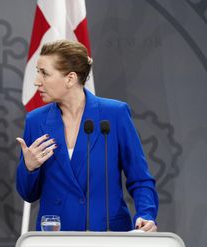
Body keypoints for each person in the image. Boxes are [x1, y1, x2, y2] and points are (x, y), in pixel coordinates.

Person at [16, 40, 158, 232]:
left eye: (44, 73)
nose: (36, 81)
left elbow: (140, 178)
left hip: (106, 235)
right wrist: (29, 168)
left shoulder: (114, 114)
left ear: (70, 78)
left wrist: (146, 214)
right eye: (38, 71)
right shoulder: (36, 121)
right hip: (56, 238)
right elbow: (28, 194)